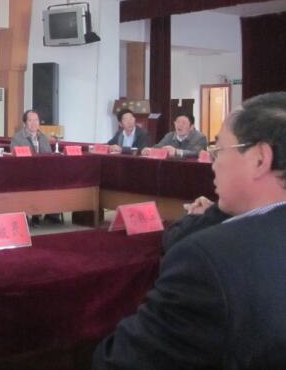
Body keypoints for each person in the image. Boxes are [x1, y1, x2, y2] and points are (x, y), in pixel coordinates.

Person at [94, 92, 286, 369]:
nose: (213, 163)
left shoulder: (207, 260)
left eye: (219, 150)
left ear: (259, 159)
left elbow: (121, 360)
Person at [141, 112, 207, 158]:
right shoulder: (169, 135)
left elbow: (197, 153)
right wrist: (150, 150)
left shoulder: (200, 137)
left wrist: (176, 151)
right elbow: (159, 147)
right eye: (177, 122)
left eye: (184, 123)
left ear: (191, 127)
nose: (179, 125)